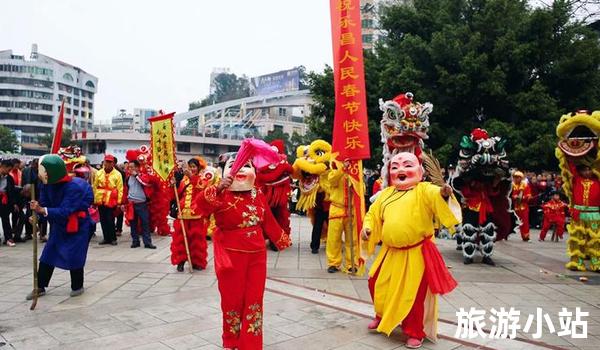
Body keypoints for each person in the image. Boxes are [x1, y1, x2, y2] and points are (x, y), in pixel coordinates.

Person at [362, 152, 460, 349]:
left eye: (407, 165)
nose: (401, 170)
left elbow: (436, 195)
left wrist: (444, 194)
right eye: (395, 167)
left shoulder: (424, 190)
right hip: (390, 252)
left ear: (420, 171)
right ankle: (382, 315)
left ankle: (415, 332)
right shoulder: (386, 193)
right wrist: (367, 227)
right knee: (375, 282)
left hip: (416, 253)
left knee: (414, 296)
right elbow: (372, 214)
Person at [198, 152, 291, 350]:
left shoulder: (258, 193)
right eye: (234, 166)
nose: (240, 170)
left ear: (254, 172)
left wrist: (281, 240)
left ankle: (250, 343)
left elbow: (268, 220)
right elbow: (200, 207)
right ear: (224, 172)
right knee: (232, 300)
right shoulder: (220, 193)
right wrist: (217, 188)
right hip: (231, 255)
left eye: (246, 166)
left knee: (254, 300)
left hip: (257, 255)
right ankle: (231, 340)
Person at [26, 154, 94, 300]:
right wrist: (37, 214)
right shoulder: (46, 184)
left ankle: (77, 286)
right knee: (48, 254)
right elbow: (44, 203)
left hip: (78, 226)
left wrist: (42, 210)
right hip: (59, 226)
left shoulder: (74, 187)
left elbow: (65, 211)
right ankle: (40, 286)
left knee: (75, 255)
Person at [171, 157, 209, 271]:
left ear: (198, 168)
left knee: (196, 240)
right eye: (190, 166)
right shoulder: (184, 180)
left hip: (196, 214)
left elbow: (201, 189)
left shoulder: (203, 179)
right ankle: (180, 261)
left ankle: (197, 261)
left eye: (194, 167)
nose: (192, 169)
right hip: (183, 213)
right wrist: (173, 185)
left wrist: (192, 177)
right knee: (181, 238)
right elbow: (178, 195)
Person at [325, 159, 358, 273]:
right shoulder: (334, 170)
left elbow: (361, 188)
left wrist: (354, 180)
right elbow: (332, 180)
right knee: (334, 239)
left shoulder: (355, 171)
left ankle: (351, 263)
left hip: (351, 210)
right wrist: (342, 169)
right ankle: (333, 263)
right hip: (336, 209)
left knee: (352, 239)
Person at [125, 160, 156, 249]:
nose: (130, 169)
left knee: (145, 224)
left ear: (137, 168)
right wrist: (124, 203)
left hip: (142, 204)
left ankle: (147, 242)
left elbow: (145, 183)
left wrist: (136, 175)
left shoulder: (143, 176)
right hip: (131, 204)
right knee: (133, 224)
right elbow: (126, 191)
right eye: (129, 167)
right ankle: (135, 241)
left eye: (132, 167)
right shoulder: (128, 178)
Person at [93, 154, 123, 245]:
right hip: (100, 199)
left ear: (113, 163)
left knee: (110, 219)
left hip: (111, 200)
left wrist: (119, 202)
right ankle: (106, 238)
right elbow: (95, 186)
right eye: (106, 162)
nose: (108, 164)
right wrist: (94, 199)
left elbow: (120, 189)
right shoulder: (99, 173)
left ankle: (113, 238)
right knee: (103, 220)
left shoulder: (117, 174)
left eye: (110, 162)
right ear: (104, 162)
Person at [0, 159, 16, 246]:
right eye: (8, 170)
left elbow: (12, 191)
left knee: (5, 219)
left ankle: (8, 238)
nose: (9, 172)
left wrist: (14, 203)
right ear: (3, 167)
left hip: (4, 201)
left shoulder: (9, 178)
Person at [512, 171, 532, 241]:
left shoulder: (525, 185)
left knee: (525, 222)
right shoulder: (512, 185)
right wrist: (515, 197)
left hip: (523, 207)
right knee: (510, 221)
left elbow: (529, 195)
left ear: (521, 178)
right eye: (514, 177)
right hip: (515, 206)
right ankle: (504, 235)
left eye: (517, 177)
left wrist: (523, 197)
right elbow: (510, 195)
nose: (515, 179)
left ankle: (525, 236)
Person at [114, 158, 126, 237]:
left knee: (119, 213)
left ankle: (118, 229)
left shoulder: (120, 172)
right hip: (110, 195)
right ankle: (116, 228)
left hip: (119, 193)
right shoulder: (104, 172)